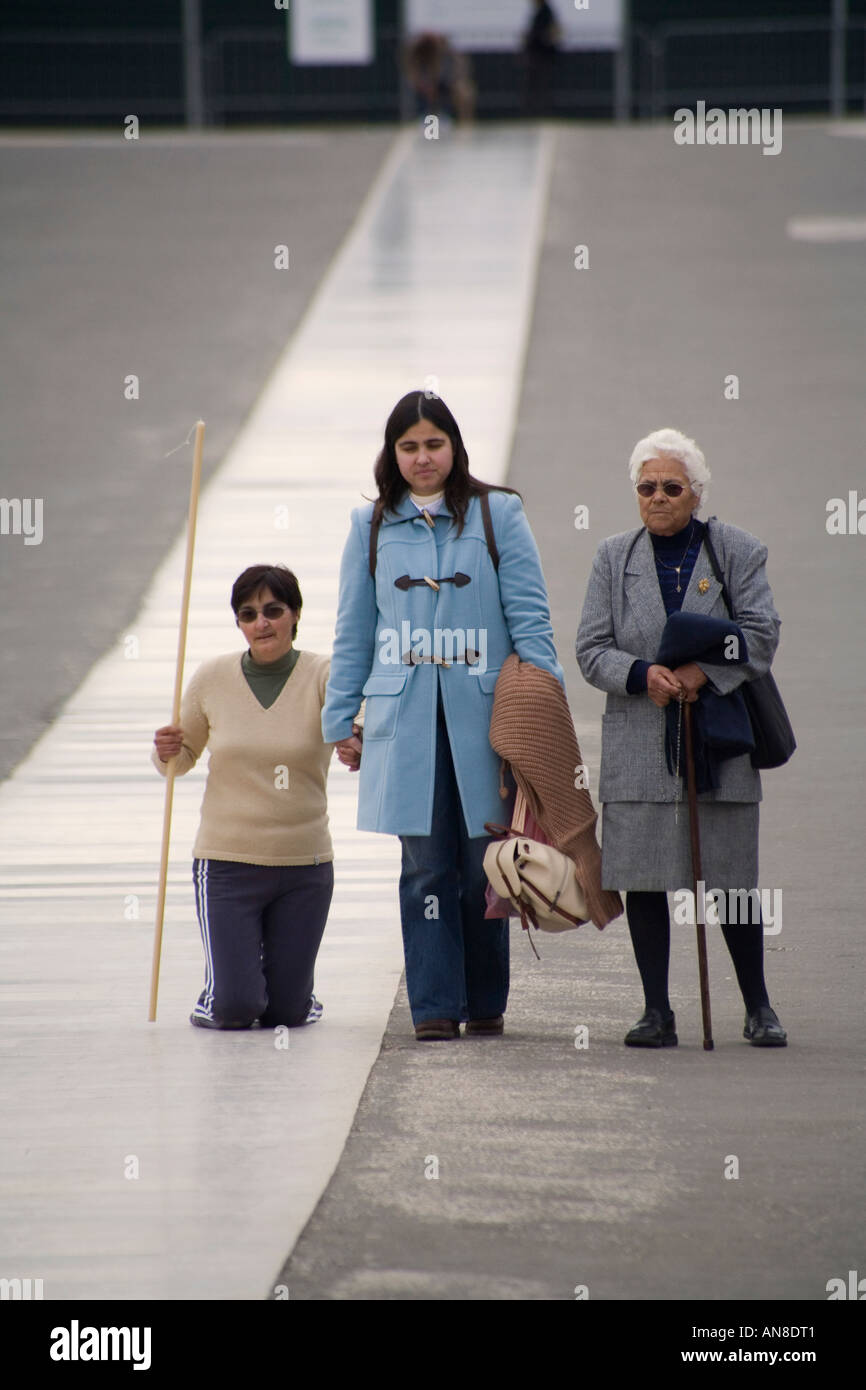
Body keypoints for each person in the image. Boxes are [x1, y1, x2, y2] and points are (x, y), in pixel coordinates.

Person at [322, 390, 563, 1041]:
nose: (423, 457)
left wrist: (546, 712)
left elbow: (531, 621)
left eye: (434, 443)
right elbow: (355, 630)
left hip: (489, 720)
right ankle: (433, 1006)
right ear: (392, 453)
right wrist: (340, 717)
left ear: (454, 447)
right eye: (409, 446)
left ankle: (484, 1002)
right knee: (426, 866)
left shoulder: (497, 514)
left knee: (487, 862)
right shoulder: (369, 526)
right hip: (405, 722)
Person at [575, 428, 788, 1048]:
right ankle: (655, 1012)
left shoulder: (736, 550)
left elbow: (761, 633)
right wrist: (643, 674)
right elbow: (591, 649)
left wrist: (703, 672)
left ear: (696, 492)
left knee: (732, 879)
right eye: (647, 487)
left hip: (718, 738)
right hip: (640, 738)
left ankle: (759, 1007)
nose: (658, 497)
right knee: (642, 875)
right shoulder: (614, 556)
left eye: (672, 487)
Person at [152, 564, 334, 1031]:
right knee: (236, 1009)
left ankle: (294, 996)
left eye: (274, 610)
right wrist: (167, 749)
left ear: (294, 615)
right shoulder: (212, 677)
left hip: (304, 867)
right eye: (248, 613)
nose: (262, 623)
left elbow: (358, 730)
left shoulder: (325, 674)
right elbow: (181, 757)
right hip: (228, 865)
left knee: (287, 1015)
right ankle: (221, 994)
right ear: (238, 623)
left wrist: (358, 741)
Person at [523, 0, 561, 116]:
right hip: (537, 54)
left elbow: (551, 32)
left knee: (541, 83)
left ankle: (542, 110)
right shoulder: (540, 11)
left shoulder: (546, 11)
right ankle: (535, 109)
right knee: (535, 83)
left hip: (542, 54)